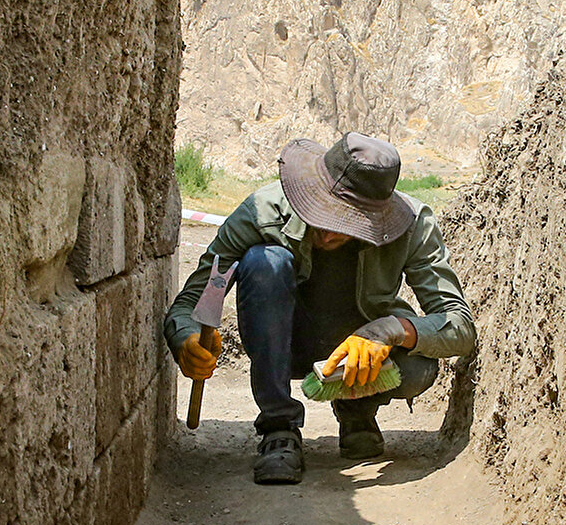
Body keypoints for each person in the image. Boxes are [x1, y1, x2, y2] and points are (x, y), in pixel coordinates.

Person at [163, 132, 476, 484]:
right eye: (321, 215)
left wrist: (388, 331)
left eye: (345, 225)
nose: (327, 236)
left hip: (355, 356)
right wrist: (186, 339)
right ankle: (278, 427)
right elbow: (192, 300)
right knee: (265, 261)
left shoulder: (414, 224)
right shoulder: (261, 210)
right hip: (282, 342)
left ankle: (357, 407)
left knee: (417, 366)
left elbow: (459, 326)